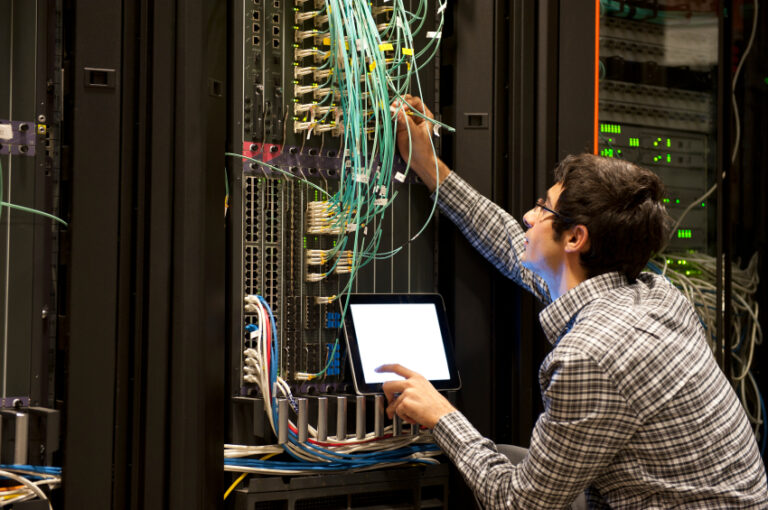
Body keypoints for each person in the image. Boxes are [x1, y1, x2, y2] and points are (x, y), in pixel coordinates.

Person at [376, 95, 768, 509]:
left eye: (542, 208)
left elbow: (519, 505)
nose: (529, 217)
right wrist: (427, 164)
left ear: (576, 238)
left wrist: (441, 416)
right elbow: (512, 246)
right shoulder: (655, 293)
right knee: (506, 456)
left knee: (500, 472)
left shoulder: (588, 356)